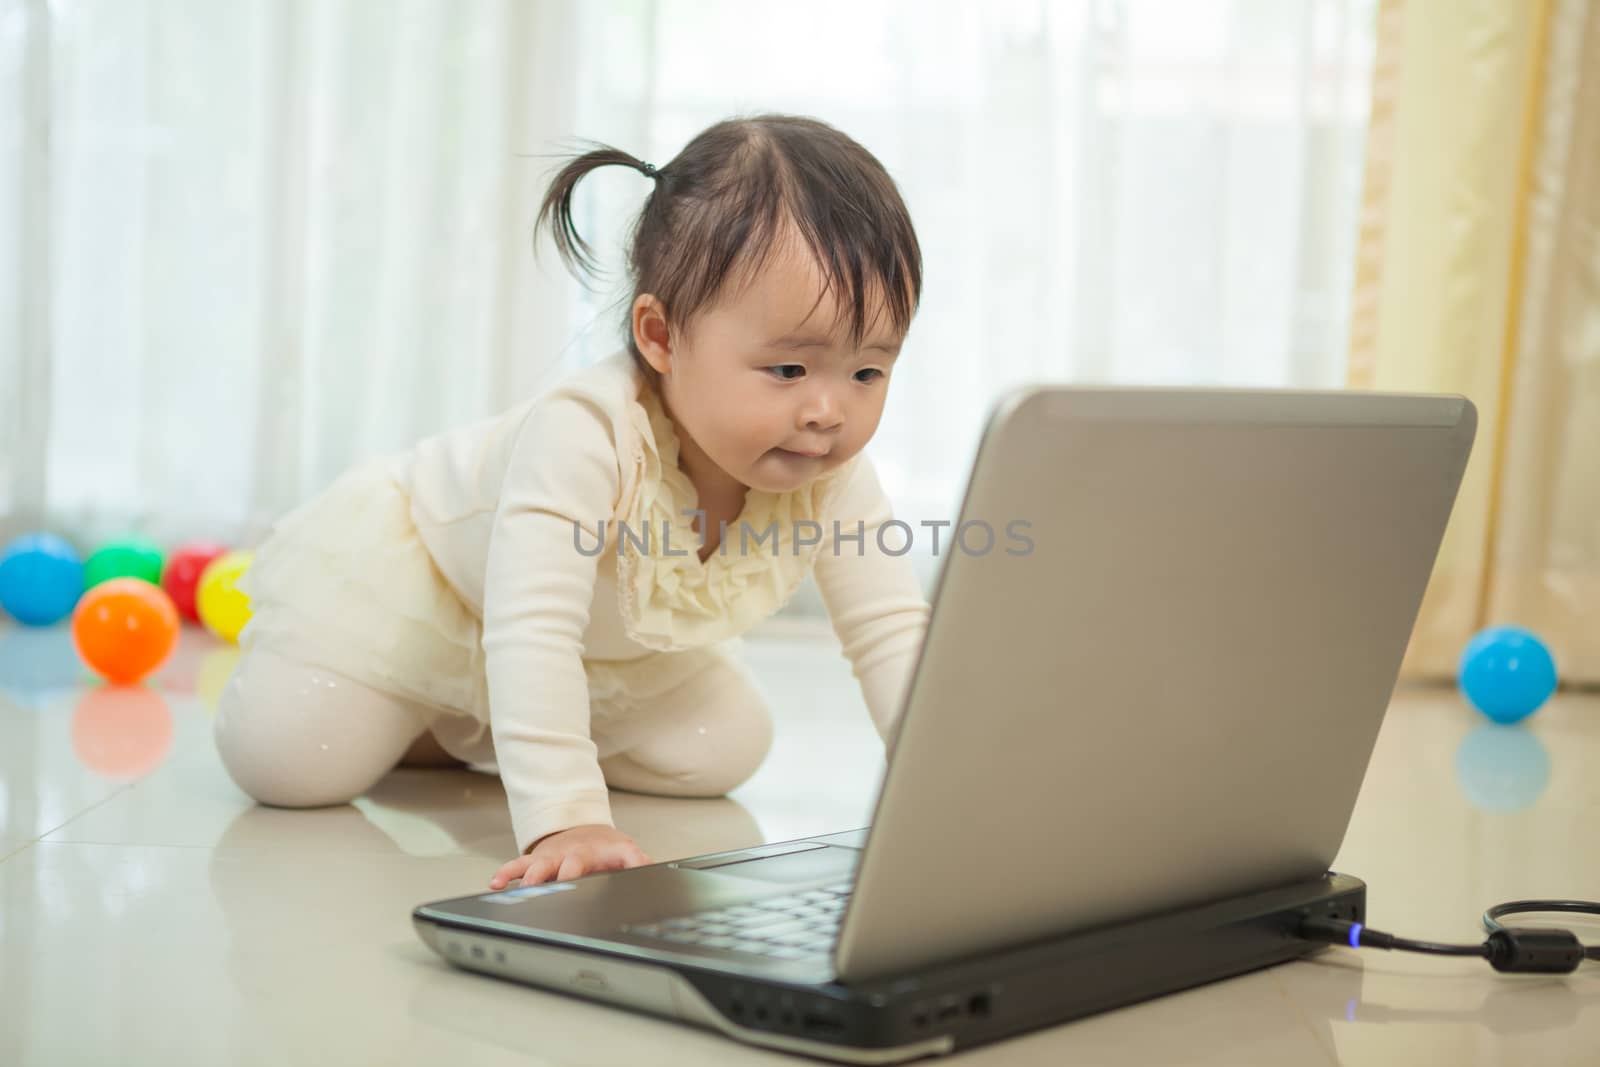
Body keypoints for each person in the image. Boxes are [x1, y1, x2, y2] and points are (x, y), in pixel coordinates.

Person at [213, 113, 930, 889]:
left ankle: (470, 728)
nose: (829, 410)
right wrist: (568, 815)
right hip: (438, 582)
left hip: (588, 649)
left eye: (868, 373)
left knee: (725, 744)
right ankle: (429, 708)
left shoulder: (829, 468)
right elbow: (533, 626)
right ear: (659, 335)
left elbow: (888, 628)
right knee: (287, 759)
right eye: (790, 369)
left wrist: (943, 787)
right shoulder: (586, 433)